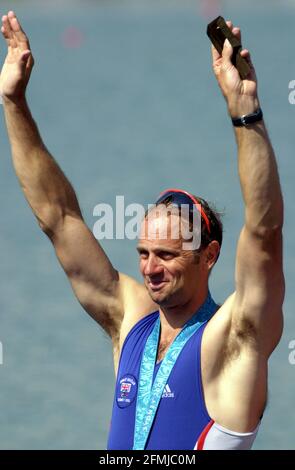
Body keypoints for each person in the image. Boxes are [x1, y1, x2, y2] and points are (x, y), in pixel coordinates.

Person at [0, 11, 284, 450]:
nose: (150, 269)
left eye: (167, 255)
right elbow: (58, 218)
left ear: (208, 256)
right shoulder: (130, 321)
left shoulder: (234, 338)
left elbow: (264, 232)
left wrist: (245, 113)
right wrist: (13, 103)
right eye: (144, 253)